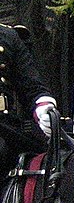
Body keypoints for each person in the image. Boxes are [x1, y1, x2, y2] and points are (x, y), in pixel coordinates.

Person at [0, 23, 56, 176]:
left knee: (51, 158)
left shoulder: (8, 36)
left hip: (6, 125)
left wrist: (43, 107)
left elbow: (31, 85)